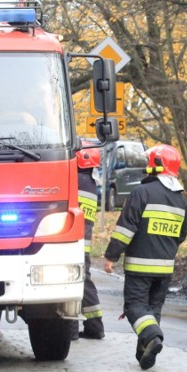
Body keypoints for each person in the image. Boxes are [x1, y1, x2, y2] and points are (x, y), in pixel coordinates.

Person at [104, 144, 187, 370]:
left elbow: (125, 229)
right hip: (165, 269)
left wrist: (111, 256)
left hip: (140, 267)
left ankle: (153, 338)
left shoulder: (141, 193)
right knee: (152, 309)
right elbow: (182, 235)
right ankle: (144, 351)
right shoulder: (181, 200)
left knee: (135, 307)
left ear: (157, 166)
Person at [75, 146, 106, 340]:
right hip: (83, 241)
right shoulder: (90, 183)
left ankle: (73, 330)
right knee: (84, 281)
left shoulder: (75, 180)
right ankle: (94, 325)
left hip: (73, 241)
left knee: (73, 282)